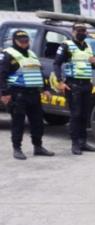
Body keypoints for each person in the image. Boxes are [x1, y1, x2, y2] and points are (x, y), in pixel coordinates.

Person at [0, 29, 54, 160]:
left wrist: (46, 88)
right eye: (21, 41)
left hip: (34, 94)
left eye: (26, 41)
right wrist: (4, 93)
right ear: (15, 41)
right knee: (18, 123)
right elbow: (1, 75)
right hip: (17, 94)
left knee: (37, 122)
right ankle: (17, 149)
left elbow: (39, 73)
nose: (24, 43)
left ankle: (38, 147)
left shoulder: (32, 54)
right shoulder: (8, 55)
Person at [54, 22, 95, 156]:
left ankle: (83, 142)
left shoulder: (88, 46)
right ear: (73, 31)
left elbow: (93, 66)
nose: (82, 32)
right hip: (73, 85)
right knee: (76, 114)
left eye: (84, 30)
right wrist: (60, 81)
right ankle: (75, 144)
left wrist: (94, 63)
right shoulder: (66, 46)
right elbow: (56, 63)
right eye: (79, 30)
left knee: (85, 114)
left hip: (86, 84)